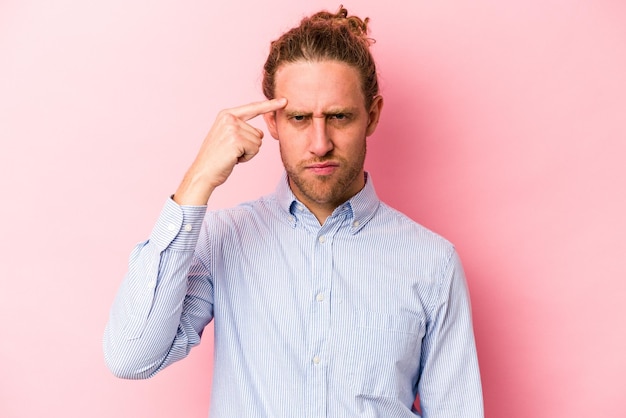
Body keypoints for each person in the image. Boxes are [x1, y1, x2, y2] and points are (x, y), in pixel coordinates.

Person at [103, 6, 483, 417]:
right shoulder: (223, 240)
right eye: (300, 118)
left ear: (372, 116)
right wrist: (197, 181)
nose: (320, 143)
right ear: (272, 122)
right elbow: (131, 355)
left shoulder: (432, 262)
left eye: (339, 116)